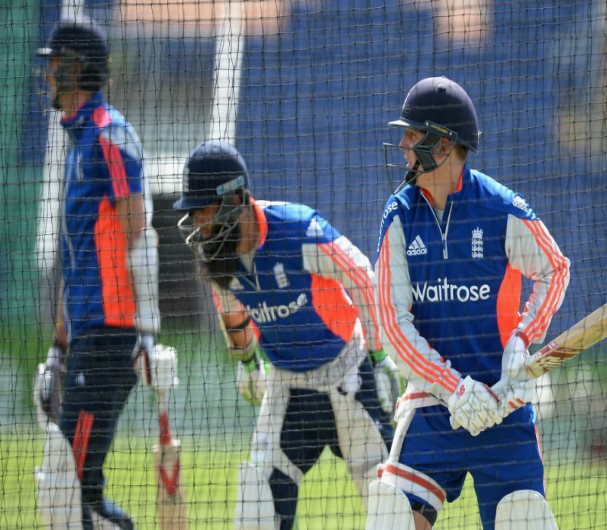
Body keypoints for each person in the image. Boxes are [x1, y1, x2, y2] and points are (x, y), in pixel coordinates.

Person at [367, 76, 571, 530]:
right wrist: (453, 387)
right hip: (433, 405)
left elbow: (556, 269)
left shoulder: (502, 208)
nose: (401, 144)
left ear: (443, 145)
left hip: (505, 406)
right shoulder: (398, 215)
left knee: (523, 521)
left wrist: (524, 337)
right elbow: (393, 326)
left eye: (413, 134)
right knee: (391, 520)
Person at [172, 139, 397, 530]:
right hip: (288, 387)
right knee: (256, 511)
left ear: (234, 199)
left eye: (202, 209)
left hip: (350, 373)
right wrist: (247, 363)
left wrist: (378, 358)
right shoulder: (218, 260)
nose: (197, 223)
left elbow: (362, 276)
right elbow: (234, 317)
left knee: (391, 505)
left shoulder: (298, 229)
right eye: (192, 213)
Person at [32, 17, 166, 529]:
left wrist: (147, 335)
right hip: (87, 336)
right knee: (74, 486)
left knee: (64, 481)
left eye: (53, 65)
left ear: (75, 69)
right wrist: (56, 349)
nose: (46, 76)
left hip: (112, 339)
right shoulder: (79, 142)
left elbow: (140, 233)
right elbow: (78, 256)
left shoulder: (111, 135)